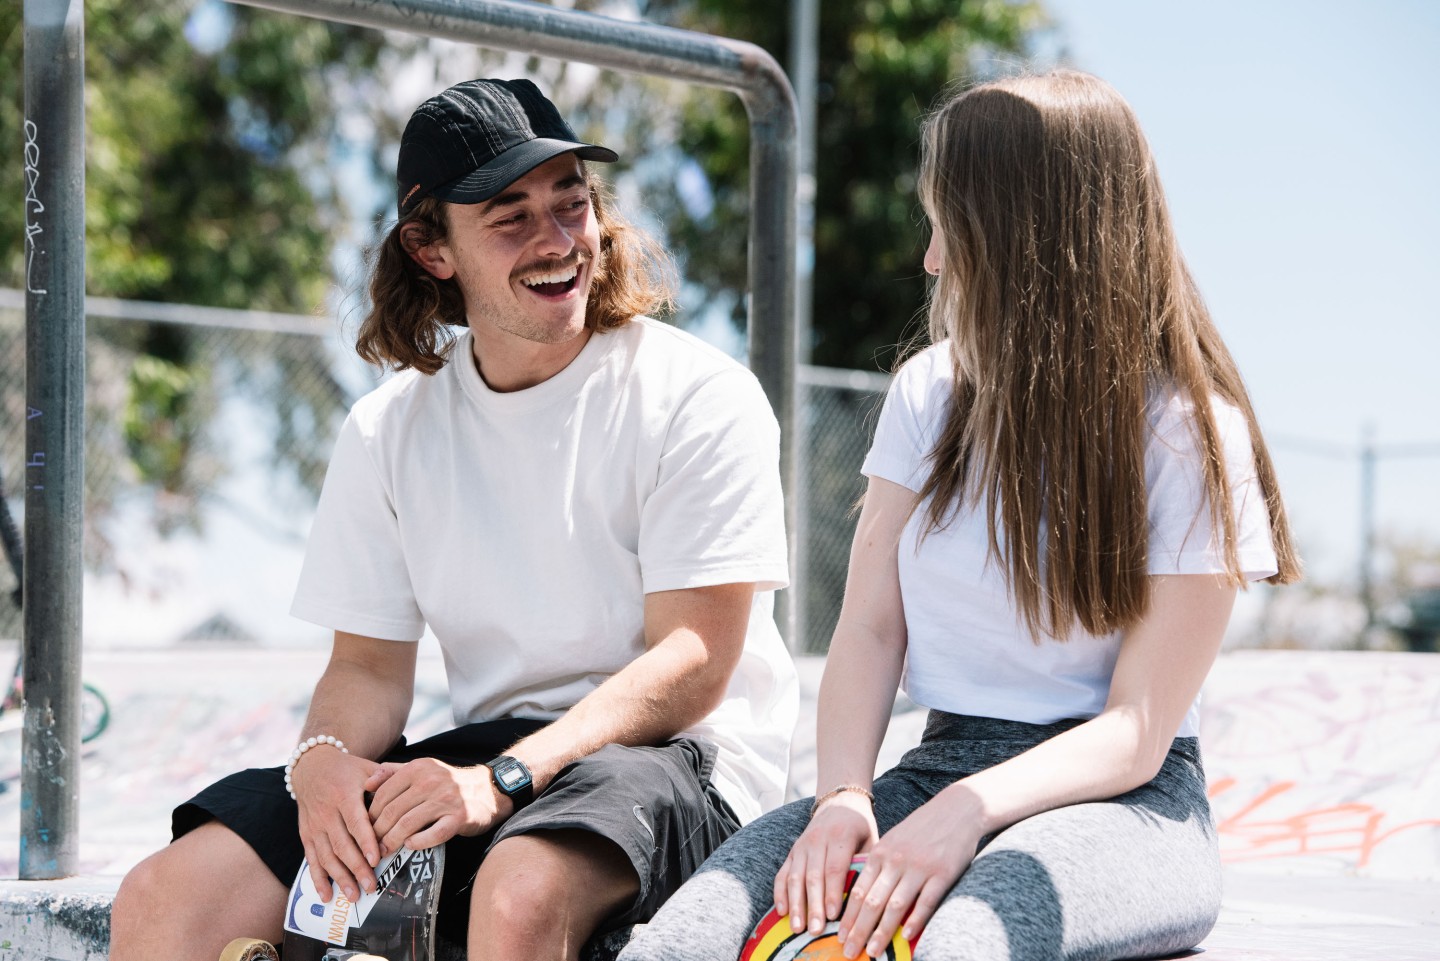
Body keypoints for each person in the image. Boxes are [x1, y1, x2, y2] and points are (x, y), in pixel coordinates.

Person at [619, 69, 1300, 961]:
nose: (932, 258)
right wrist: (843, 800)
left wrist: (965, 817)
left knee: (963, 941)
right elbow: (865, 630)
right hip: (938, 766)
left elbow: (1136, 732)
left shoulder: (1190, 433)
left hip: (1129, 804)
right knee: (684, 939)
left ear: (1026, 238)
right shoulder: (926, 393)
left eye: (949, 224)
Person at [110, 77, 797, 961]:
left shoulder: (699, 395)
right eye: (510, 217)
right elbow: (365, 667)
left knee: (517, 895)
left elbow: (695, 660)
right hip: (489, 755)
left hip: (681, 760)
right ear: (432, 250)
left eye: (572, 203)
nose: (558, 240)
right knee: (167, 896)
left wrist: (503, 781)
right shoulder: (388, 429)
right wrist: (319, 764)